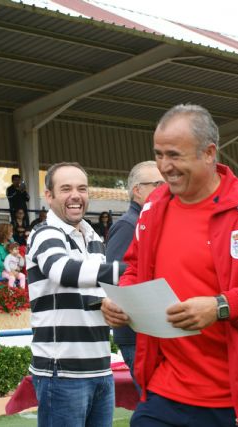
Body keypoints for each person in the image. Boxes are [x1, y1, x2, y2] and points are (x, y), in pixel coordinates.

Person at [101, 105, 238, 427]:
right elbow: (135, 268)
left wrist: (220, 306)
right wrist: (122, 299)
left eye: (175, 155)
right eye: (159, 154)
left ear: (209, 153)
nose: (165, 167)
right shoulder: (153, 207)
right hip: (167, 392)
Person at [26, 162, 125, 427]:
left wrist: (109, 303)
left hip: (101, 368)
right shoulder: (44, 233)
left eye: (82, 188)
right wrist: (128, 272)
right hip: (61, 373)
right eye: (66, 188)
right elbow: (63, 271)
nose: (76, 195)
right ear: (49, 195)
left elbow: (93, 291)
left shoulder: (93, 236)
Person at [106, 160, 163, 384]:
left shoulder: (145, 222)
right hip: (137, 336)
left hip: (149, 332)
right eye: (158, 184)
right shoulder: (129, 225)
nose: (165, 189)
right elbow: (116, 276)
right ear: (137, 190)